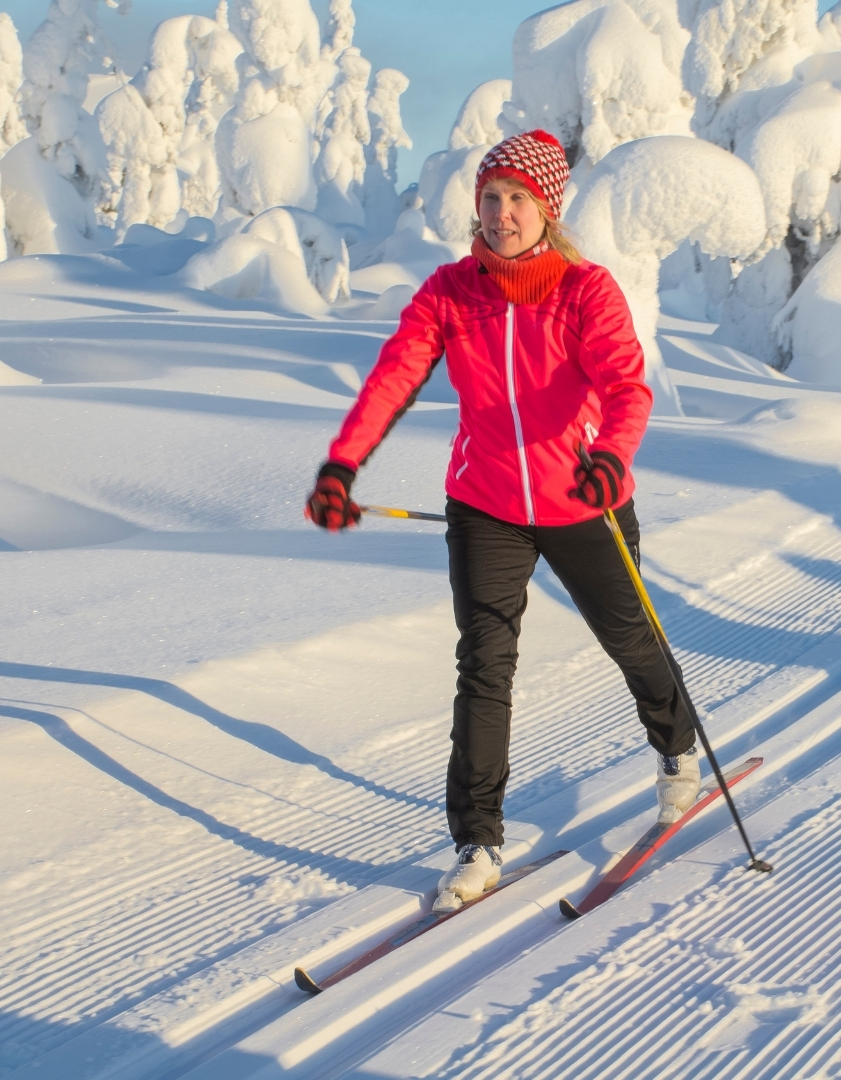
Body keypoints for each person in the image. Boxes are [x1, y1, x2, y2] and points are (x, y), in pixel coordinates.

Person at [305, 129, 700, 912]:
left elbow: (627, 388)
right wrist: (342, 464)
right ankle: (478, 838)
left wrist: (613, 458)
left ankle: (676, 747)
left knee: (630, 638)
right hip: (485, 502)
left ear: (547, 209)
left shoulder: (585, 290)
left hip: (585, 493)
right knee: (485, 663)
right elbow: (393, 378)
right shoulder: (452, 292)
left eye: (518, 198)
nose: (501, 213)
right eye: (490, 198)